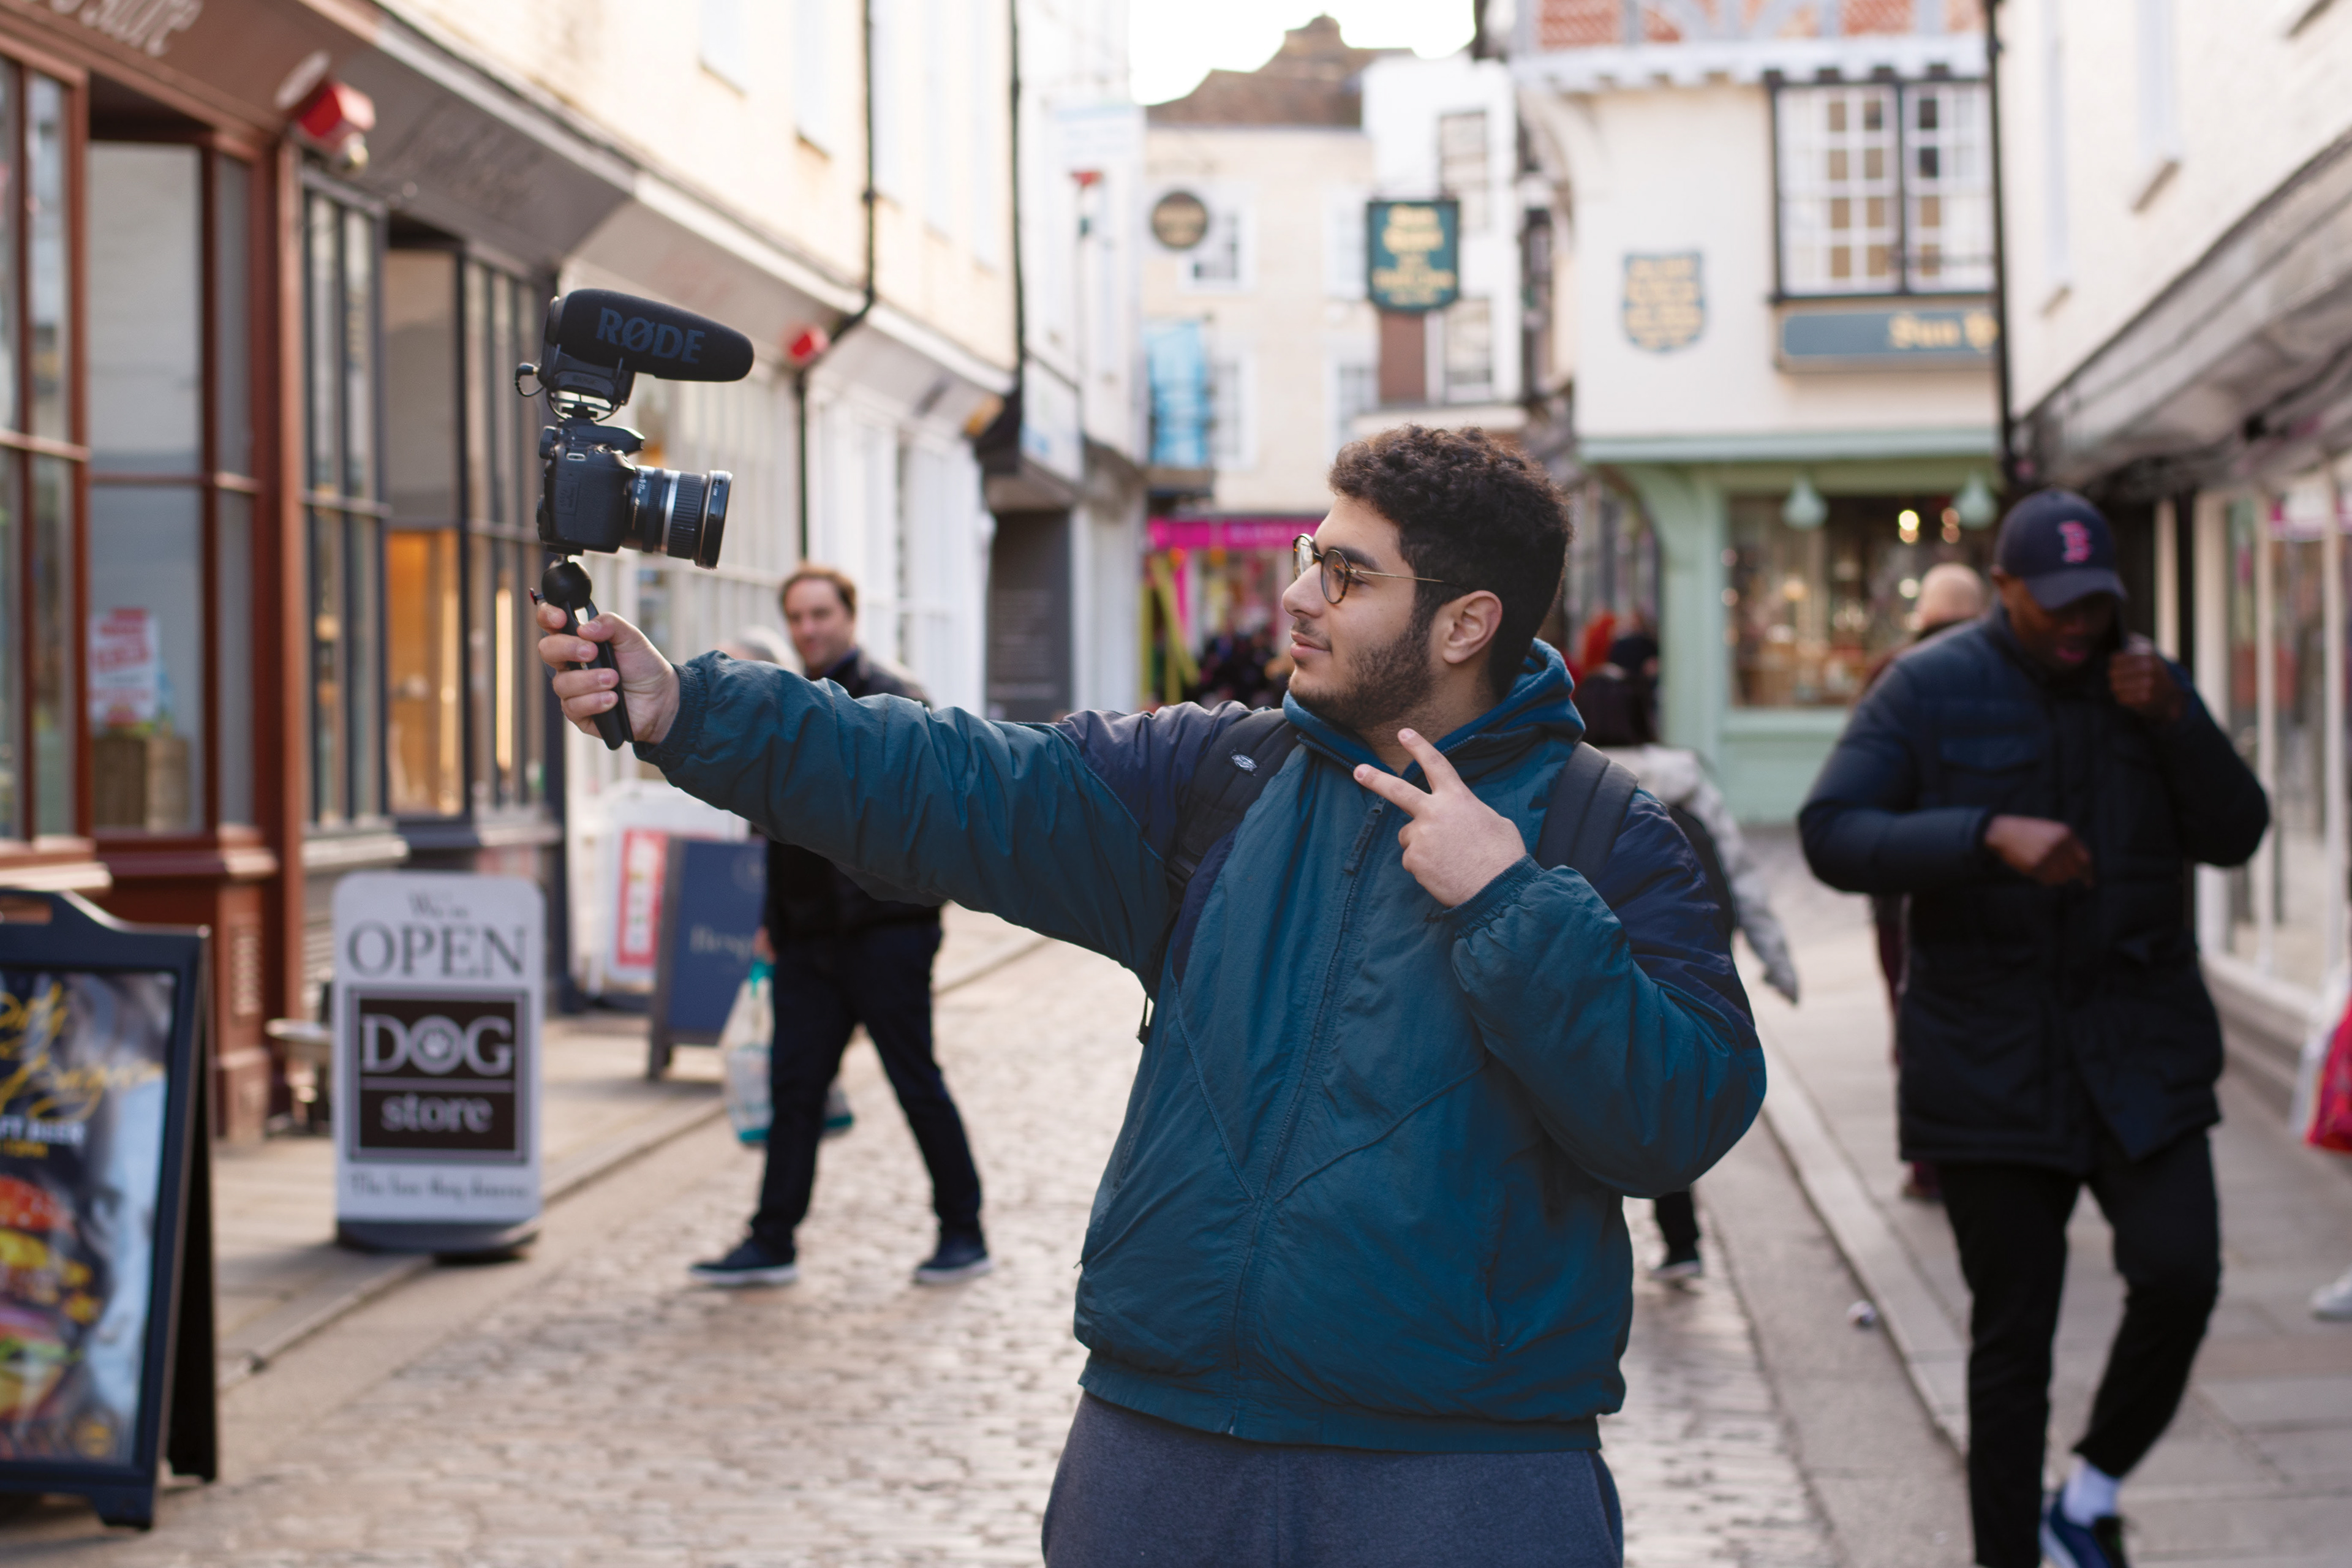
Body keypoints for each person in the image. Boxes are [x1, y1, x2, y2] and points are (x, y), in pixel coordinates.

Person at [538, 425, 1763, 1567]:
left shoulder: (1604, 834)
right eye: (1308, 558)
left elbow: (1677, 1117)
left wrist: (1506, 901)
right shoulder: (1214, 780)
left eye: (1346, 574)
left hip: (1462, 1478)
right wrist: (689, 711)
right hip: (1159, 1455)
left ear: (1465, 623)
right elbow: (956, 779)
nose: (1297, 596)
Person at [1800, 491, 2269, 1568]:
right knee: (2014, 1343)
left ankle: (2091, 1489)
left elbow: (2238, 834)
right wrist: (1983, 835)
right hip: (1988, 1058)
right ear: (2004, 588)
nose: (2076, 624)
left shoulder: (2147, 685)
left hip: (2137, 1047)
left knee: (2181, 1273)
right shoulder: (1927, 685)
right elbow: (1833, 832)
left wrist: (2179, 719)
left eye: (2094, 604)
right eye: (2052, 602)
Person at [687, 565, 990, 1289]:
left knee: (915, 1079)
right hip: (808, 937)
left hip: (887, 930)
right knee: (794, 1088)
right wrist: (771, 922)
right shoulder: (781, 702)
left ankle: (963, 1229)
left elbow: (926, 812)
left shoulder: (896, 695)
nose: (808, 629)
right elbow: (770, 823)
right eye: (796, 617)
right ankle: (772, 1238)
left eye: (820, 614)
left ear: (849, 616)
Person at [1578, 696, 1799, 1284]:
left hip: (1598, 954)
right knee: (1662, 1086)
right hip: (1684, 943)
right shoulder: (1683, 778)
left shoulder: (1571, 782)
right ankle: (1683, 1242)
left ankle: (1594, 1248)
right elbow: (1740, 871)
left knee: (1588, 1093)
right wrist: (1778, 963)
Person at [1865, 560, 1989, 1204]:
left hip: (1906, 890)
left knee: (1916, 1023)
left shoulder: (1891, 677)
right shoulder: (2002, 677)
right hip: (1982, 885)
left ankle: (1932, 1161)